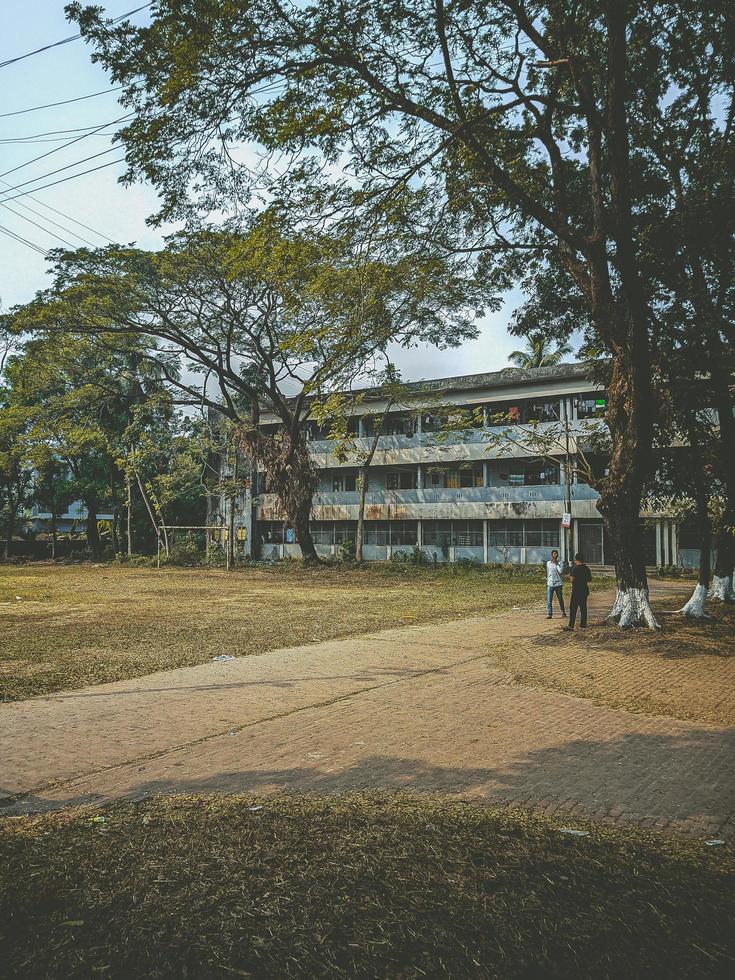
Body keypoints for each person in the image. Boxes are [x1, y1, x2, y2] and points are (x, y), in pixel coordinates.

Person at [566, 553, 592, 629]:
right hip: (584, 589)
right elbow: (589, 579)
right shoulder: (586, 568)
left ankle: (571, 625)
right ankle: (583, 624)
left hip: (576, 590)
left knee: (573, 608)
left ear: (576, 559)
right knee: (583, 607)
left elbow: (572, 579)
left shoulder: (575, 568)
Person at [545, 549, 566, 619]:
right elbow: (548, 572)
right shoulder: (548, 563)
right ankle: (549, 614)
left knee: (560, 598)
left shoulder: (560, 563)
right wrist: (548, 580)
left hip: (558, 584)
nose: (556, 555)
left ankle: (563, 611)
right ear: (551, 555)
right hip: (550, 583)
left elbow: (560, 571)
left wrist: (556, 564)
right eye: (554, 554)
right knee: (549, 600)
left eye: (556, 554)